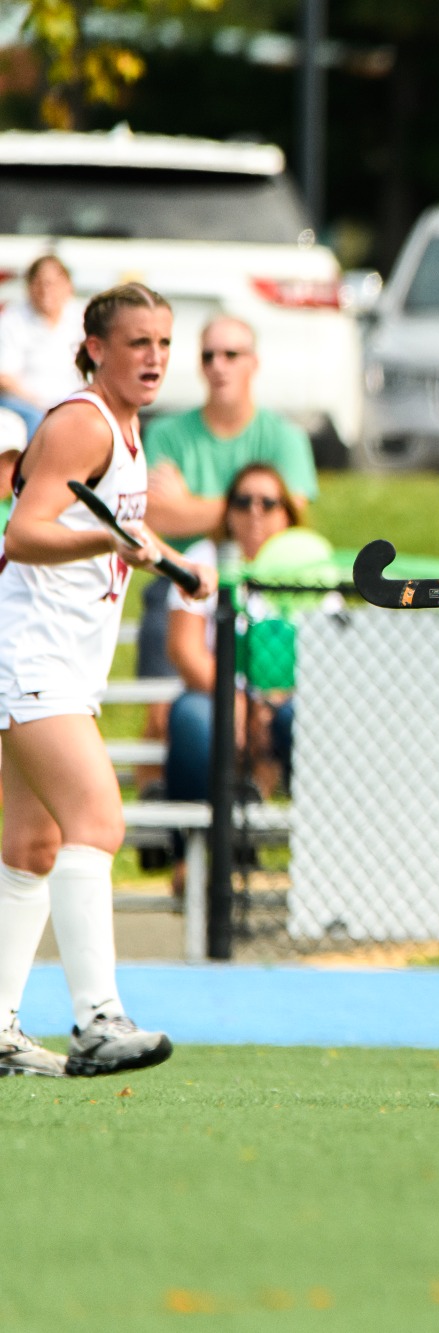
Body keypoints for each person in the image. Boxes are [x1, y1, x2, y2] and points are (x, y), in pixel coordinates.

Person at [0, 282, 212, 1078]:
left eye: (163, 343)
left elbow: (116, 519)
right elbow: (25, 533)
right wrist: (109, 545)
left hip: (58, 661)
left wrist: (176, 562)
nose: (154, 357)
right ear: (96, 348)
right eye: (137, 343)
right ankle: (97, 1018)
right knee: (97, 817)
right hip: (32, 655)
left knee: (35, 843)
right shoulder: (82, 422)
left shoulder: (125, 425)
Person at [141, 316, 320, 776]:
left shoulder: (285, 436)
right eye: (208, 355)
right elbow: (154, 517)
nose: (218, 365)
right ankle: (160, 801)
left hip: (271, 586)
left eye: (231, 354)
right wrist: (239, 508)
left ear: (254, 362)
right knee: (169, 715)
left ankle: (258, 784)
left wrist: (191, 505)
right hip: (182, 577)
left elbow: (293, 512)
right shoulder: (166, 432)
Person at [162, 464, 312, 822]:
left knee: (301, 719)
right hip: (214, 692)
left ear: (287, 514)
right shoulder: (203, 559)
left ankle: (320, 830)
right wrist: (236, 699)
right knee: (193, 719)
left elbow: (326, 651)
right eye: (242, 502)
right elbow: (185, 651)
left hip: (290, 697)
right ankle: (201, 840)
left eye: (268, 503)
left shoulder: (308, 562)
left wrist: (271, 702)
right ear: (227, 512)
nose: (254, 512)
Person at [0, 255, 84, 438]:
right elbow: (5, 377)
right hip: (25, 406)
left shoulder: (82, 318)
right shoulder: (12, 320)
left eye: (52, 283)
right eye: (40, 283)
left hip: (75, 404)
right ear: (29, 287)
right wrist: (43, 405)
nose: (46, 290)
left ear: (68, 286)